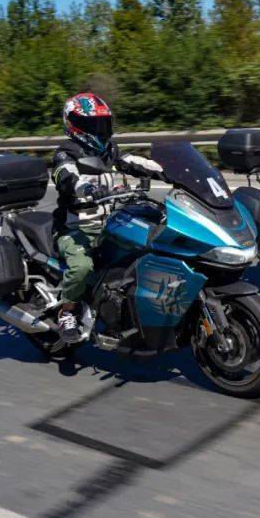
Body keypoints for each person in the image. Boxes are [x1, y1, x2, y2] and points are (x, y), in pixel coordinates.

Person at [51, 92, 164, 343]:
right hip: (75, 229)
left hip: (108, 223)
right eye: (93, 124)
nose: (100, 130)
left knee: (149, 242)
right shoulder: (66, 152)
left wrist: (164, 170)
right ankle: (67, 311)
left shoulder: (109, 149)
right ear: (74, 125)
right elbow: (64, 174)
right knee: (82, 267)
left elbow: (130, 161)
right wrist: (85, 188)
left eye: (103, 123)